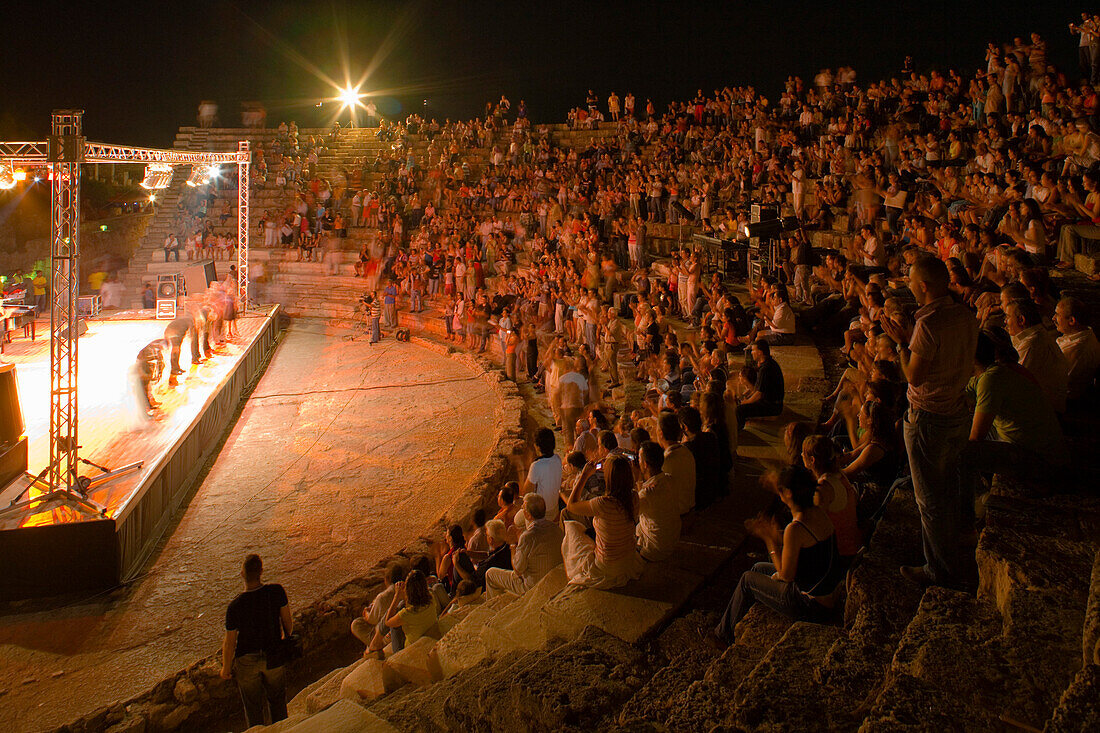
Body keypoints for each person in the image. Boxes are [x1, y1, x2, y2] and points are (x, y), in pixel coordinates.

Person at [880, 256, 978, 590]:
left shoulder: (930, 323)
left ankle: (940, 570)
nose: (907, 284)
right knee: (948, 486)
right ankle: (952, 545)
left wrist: (899, 344)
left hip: (928, 418)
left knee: (929, 499)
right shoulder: (964, 315)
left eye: (910, 280)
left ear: (923, 285)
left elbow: (914, 376)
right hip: (956, 411)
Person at [708, 467, 840, 647]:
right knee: (758, 568)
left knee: (747, 579)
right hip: (823, 591)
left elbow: (786, 575)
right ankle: (738, 617)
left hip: (810, 604)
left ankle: (722, 636)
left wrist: (769, 540)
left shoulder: (796, 528)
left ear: (788, 493)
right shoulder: (818, 511)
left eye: (781, 490)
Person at [961, 329, 1069, 527]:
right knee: (961, 426)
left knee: (962, 452)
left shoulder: (991, 379)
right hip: (1031, 447)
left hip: (1040, 460)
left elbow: (976, 438)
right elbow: (959, 394)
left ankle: (975, 504)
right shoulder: (991, 372)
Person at [220, 554, 292, 728]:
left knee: (253, 709)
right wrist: (283, 643)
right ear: (261, 571)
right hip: (273, 654)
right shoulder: (276, 591)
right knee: (278, 703)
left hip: (247, 661)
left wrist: (225, 668)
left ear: (242, 574)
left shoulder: (235, 606)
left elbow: (230, 643)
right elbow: (287, 624)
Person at [561, 455, 644, 589]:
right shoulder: (634, 497)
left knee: (572, 528)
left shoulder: (604, 503)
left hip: (608, 566)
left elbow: (571, 505)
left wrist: (584, 475)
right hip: (628, 561)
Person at [485, 494, 563, 597]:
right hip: (554, 579)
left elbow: (518, 570)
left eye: (523, 508)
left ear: (528, 515)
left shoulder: (527, 537)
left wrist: (513, 544)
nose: (522, 509)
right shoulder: (556, 528)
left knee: (490, 574)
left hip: (533, 586)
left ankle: (492, 608)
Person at [1004, 297, 1069, 413]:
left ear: (1021, 320)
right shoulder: (1036, 335)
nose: (1005, 321)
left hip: (1044, 413)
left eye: (1008, 317)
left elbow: (1012, 383)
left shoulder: (1032, 343)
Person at [634, 440, 681, 561]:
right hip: (671, 542)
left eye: (639, 459)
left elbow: (629, 513)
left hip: (653, 551)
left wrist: (633, 477)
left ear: (645, 464)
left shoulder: (647, 494)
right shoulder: (670, 480)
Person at [350, 560, 408, 657]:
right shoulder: (406, 589)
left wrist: (366, 613)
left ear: (387, 579)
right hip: (398, 628)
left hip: (387, 635)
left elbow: (373, 620)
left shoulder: (383, 597)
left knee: (356, 624)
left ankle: (374, 645)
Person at [1054, 296, 1100, 402]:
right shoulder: (1086, 333)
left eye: (1057, 314)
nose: (1053, 318)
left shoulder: (1076, 349)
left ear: (1071, 320)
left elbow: (1056, 381)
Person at [736, 339, 785, 427]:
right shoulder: (769, 363)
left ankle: (740, 431)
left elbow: (759, 394)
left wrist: (746, 402)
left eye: (753, 350)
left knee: (739, 410)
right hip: (774, 403)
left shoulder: (766, 369)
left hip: (772, 406)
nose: (751, 353)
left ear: (760, 352)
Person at [384, 569, 439, 647]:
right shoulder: (431, 598)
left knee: (393, 624)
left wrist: (396, 595)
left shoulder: (407, 614)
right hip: (430, 633)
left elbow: (387, 622)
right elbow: (413, 599)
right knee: (401, 605)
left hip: (413, 645)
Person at [657, 411, 696, 515]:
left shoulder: (666, 461)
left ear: (660, 433)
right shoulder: (686, 452)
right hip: (689, 506)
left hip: (676, 514)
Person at [523, 427, 563, 522]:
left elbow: (526, 492)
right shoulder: (557, 459)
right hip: (554, 508)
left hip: (541, 513)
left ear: (537, 446)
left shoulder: (537, 465)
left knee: (517, 519)